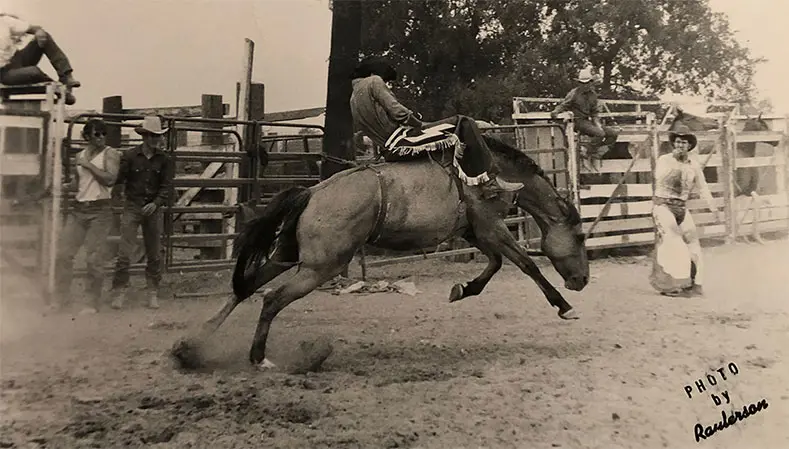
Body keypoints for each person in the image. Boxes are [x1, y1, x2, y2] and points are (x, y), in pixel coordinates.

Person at [349, 56, 523, 199]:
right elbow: (397, 112)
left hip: (387, 147)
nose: (386, 84)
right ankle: (489, 182)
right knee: (464, 122)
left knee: (451, 127)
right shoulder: (373, 81)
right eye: (386, 80)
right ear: (373, 73)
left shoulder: (354, 98)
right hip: (402, 140)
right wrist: (417, 122)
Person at [54, 119, 120, 313]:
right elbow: (78, 183)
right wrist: (61, 187)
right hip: (79, 208)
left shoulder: (111, 153)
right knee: (64, 254)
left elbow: (110, 179)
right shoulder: (81, 156)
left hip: (100, 210)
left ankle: (92, 302)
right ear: (87, 136)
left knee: (93, 258)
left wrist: (89, 165)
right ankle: (62, 299)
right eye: (96, 134)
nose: (100, 137)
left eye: (103, 133)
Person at [650, 124, 722, 297]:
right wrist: (677, 162)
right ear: (673, 144)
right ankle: (671, 285)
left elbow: (703, 187)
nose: (681, 145)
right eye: (678, 142)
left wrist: (713, 207)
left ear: (690, 146)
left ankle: (695, 283)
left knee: (694, 245)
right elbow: (659, 177)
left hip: (682, 207)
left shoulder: (694, 165)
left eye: (684, 143)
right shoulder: (664, 160)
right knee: (673, 242)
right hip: (663, 206)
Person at [110, 116, 174, 310]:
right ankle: (119, 291)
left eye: (158, 136)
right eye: (152, 136)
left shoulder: (164, 160)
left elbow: (166, 186)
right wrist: (119, 198)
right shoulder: (129, 156)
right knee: (124, 251)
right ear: (144, 137)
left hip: (152, 208)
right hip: (132, 205)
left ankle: (152, 292)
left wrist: (155, 203)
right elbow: (119, 179)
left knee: (154, 252)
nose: (156, 140)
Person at [0, 12, 80, 105]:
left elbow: (35, 28)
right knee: (34, 71)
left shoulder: (4, 21)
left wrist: (38, 32)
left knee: (44, 36)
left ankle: (66, 76)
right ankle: (58, 89)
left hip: (17, 59)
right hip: (4, 73)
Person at [550, 68, 619, 170]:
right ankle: (586, 150)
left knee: (613, 134)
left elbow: (594, 112)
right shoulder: (574, 93)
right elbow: (564, 105)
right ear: (579, 83)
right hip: (577, 121)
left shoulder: (593, 95)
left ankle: (593, 153)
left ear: (591, 83)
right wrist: (555, 112)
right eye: (583, 83)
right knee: (600, 134)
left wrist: (598, 125)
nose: (585, 85)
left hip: (588, 121)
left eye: (587, 83)